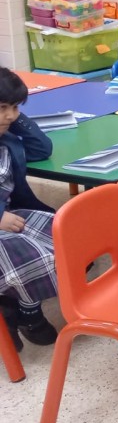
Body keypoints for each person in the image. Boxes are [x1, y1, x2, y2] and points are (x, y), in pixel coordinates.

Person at [0, 68, 58, 352]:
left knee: (65, 235)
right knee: (32, 254)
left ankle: (20, 308)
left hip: (12, 213)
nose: (11, 115)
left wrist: (14, 117)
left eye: (15, 108)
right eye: (3, 108)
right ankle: (24, 312)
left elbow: (42, 148)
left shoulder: (7, 139)